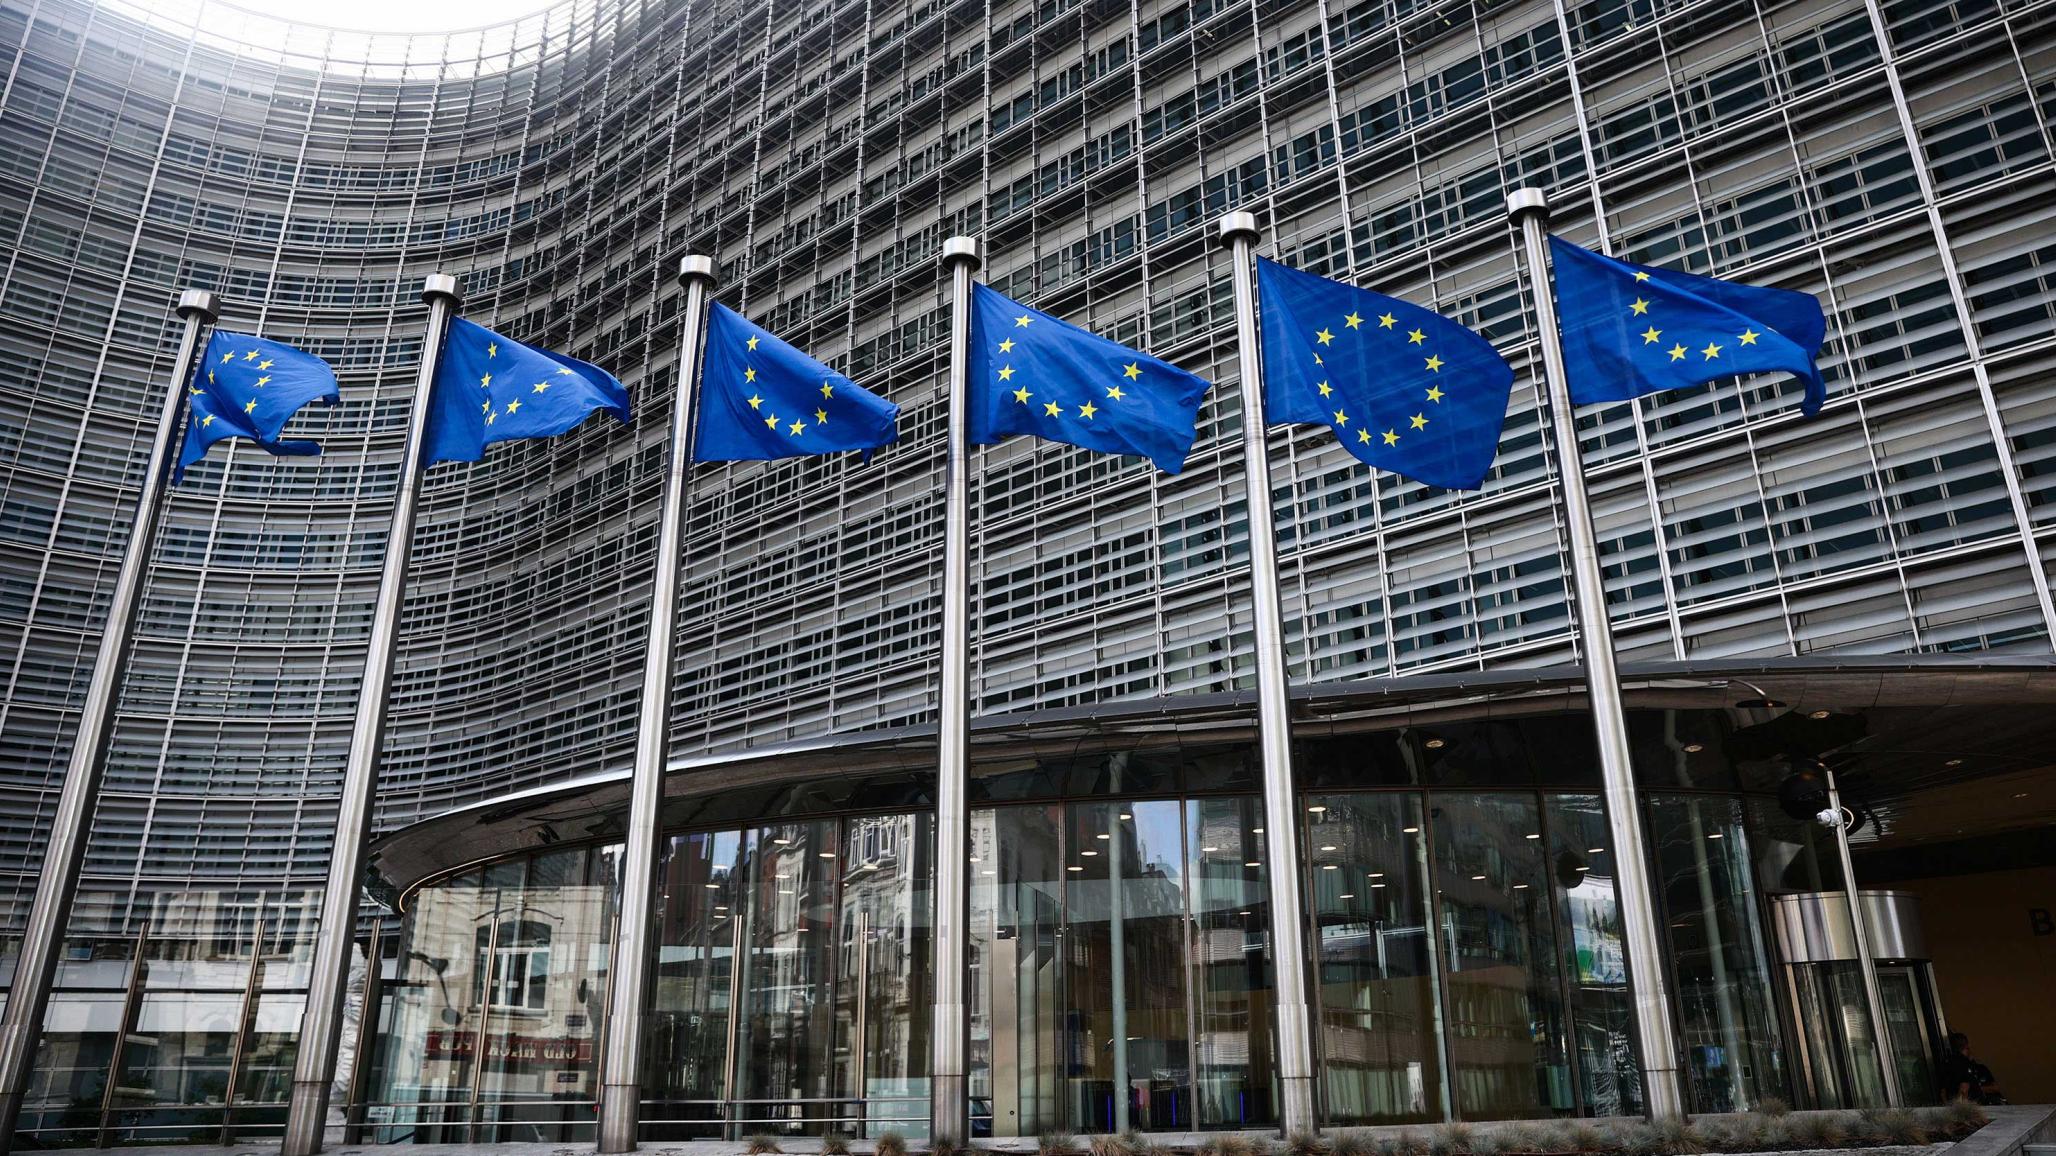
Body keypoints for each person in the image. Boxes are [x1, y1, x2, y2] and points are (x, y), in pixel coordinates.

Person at [1938, 1031, 2004, 1104]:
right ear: (1967, 1046)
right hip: (1969, 1106)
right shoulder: (1963, 1063)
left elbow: (1943, 1092)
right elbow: (1963, 1088)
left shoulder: (1946, 1063)